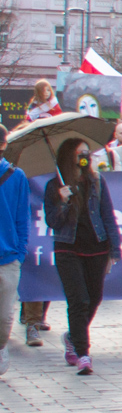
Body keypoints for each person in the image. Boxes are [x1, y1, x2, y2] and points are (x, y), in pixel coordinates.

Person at [43, 138, 120, 376]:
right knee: (79, 300)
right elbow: (52, 222)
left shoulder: (97, 181)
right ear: (68, 157)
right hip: (68, 249)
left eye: (87, 153)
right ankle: (83, 353)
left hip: (96, 247)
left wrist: (115, 249)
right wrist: (63, 202)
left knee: (94, 298)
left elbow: (108, 215)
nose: (84, 158)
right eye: (80, 154)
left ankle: (73, 336)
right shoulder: (54, 185)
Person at [0, 127, 26, 375]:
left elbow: (22, 218)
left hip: (7, 257)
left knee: (6, 317)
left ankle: (1, 346)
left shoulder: (16, 177)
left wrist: (20, 252)